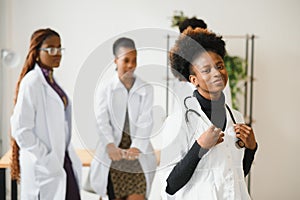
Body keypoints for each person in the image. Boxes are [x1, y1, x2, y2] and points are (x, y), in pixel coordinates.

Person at [161, 27, 258, 199]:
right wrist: (199, 147)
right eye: (206, 70)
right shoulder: (178, 121)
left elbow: (237, 175)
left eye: (219, 66)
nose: (217, 73)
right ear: (194, 80)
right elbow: (170, 185)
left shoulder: (236, 117)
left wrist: (251, 148)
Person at [10, 28, 82, 200]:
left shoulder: (51, 81)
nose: (56, 53)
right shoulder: (32, 82)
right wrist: (47, 159)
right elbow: (20, 129)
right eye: (50, 49)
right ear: (36, 53)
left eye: (59, 48)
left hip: (62, 161)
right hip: (45, 166)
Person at [89, 37, 157, 200]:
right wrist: (110, 145)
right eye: (126, 60)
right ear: (115, 60)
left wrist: (137, 147)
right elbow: (101, 120)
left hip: (136, 155)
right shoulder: (105, 88)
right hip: (113, 155)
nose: (131, 65)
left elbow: (145, 121)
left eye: (134, 60)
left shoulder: (146, 89)